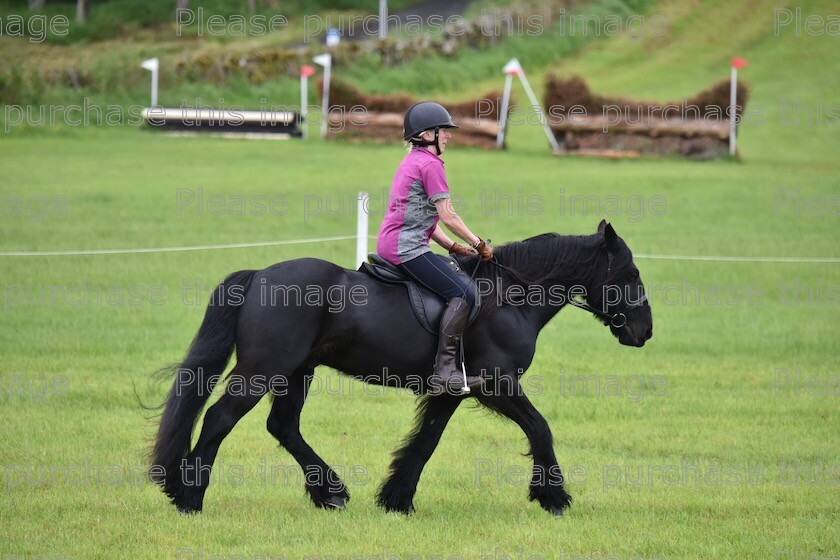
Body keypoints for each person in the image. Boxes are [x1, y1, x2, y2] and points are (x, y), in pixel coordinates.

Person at [376, 101, 493, 395]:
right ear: (428, 134)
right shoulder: (430, 165)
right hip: (407, 249)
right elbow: (447, 215)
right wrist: (477, 243)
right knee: (464, 293)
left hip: (397, 242)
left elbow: (425, 219)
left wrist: (452, 246)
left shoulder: (414, 160)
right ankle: (444, 373)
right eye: (444, 131)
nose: (449, 136)